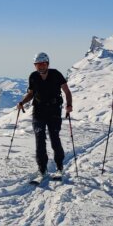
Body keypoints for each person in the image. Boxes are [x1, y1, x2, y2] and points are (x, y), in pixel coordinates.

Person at [17, 52, 72, 180]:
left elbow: (67, 91)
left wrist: (69, 105)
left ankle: (59, 167)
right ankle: (42, 170)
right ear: (35, 66)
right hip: (38, 111)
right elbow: (31, 94)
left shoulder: (56, 74)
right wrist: (22, 102)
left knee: (54, 139)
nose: (40, 66)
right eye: (37, 65)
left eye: (43, 64)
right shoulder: (33, 77)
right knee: (39, 140)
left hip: (54, 112)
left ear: (47, 63)